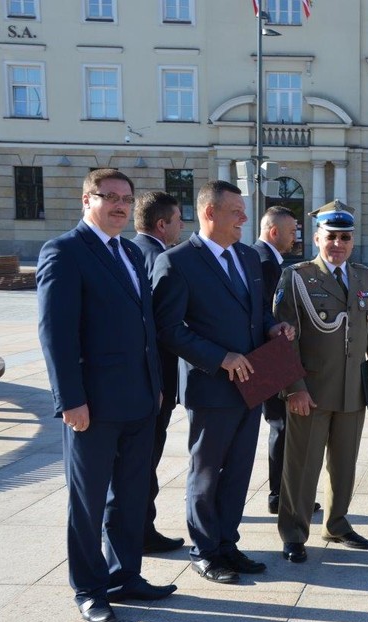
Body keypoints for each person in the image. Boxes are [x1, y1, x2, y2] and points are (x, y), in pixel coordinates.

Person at [37, 169, 176, 622]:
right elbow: (56, 335)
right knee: (88, 501)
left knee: (131, 496)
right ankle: (90, 589)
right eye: (109, 197)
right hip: (91, 406)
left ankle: (126, 576)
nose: (119, 205)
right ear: (86, 200)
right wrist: (69, 400)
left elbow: (144, 327)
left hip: (139, 400)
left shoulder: (132, 254)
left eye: (125, 199)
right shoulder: (64, 252)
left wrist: (155, 384)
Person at [151, 181, 294, 585]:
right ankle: (205, 550)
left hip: (254, 382)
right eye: (236, 212)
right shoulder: (178, 262)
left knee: (238, 471)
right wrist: (220, 357)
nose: (245, 219)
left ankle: (228, 543)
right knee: (207, 470)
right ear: (210, 213)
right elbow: (168, 329)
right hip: (211, 386)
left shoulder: (248, 258)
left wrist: (274, 327)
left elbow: (257, 314)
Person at [273, 200, 368, 563]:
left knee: (344, 464)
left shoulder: (367, 278)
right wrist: (294, 388)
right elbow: (281, 339)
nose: (338, 244)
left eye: (345, 237)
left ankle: (336, 523)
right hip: (311, 391)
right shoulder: (298, 277)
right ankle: (293, 532)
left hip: (352, 389)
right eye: (331, 237)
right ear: (317, 238)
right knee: (301, 467)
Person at [252, 206, 322, 515]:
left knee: (280, 425)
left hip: (267, 353)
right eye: (292, 231)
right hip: (269, 356)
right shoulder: (267, 263)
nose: (296, 237)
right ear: (273, 232)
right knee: (281, 425)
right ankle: (280, 495)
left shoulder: (260, 257)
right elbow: (271, 315)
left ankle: (281, 493)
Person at [131, 191, 185, 554]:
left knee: (140, 460)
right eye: (180, 220)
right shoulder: (160, 258)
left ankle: (139, 527)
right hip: (155, 381)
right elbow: (160, 330)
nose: (183, 226)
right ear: (162, 224)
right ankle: (141, 531)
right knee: (145, 459)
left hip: (141, 382)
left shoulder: (128, 251)